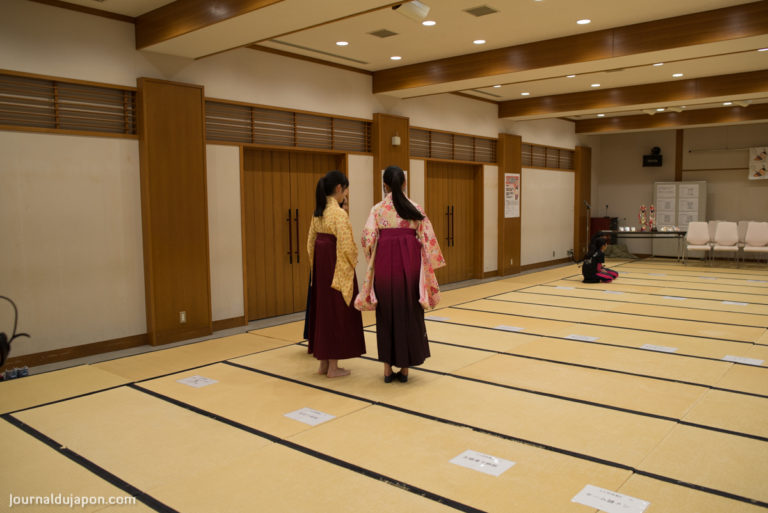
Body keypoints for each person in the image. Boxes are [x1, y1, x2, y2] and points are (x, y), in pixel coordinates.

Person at [355, 165, 445, 383]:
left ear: (385, 185)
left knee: (386, 314)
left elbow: (366, 239)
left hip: (385, 266)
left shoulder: (378, 210)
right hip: (410, 266)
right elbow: (428, 238)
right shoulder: (414, 208)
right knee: (409, 312)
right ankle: (404, 370)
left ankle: (387, 370)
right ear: (404, 183)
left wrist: (374, 257)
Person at [306, 170, 365, 377]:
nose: (346, 194)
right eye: (346, 190)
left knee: (323, 312)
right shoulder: (338, 214)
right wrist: (351, 264)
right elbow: (346, 246)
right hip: (336, 266)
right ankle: (333, 367)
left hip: (321, 267)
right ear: (339, 188)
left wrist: (315, 268)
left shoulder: (318, 211)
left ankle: (323, 364)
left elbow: (310, 243)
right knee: (336, 312)